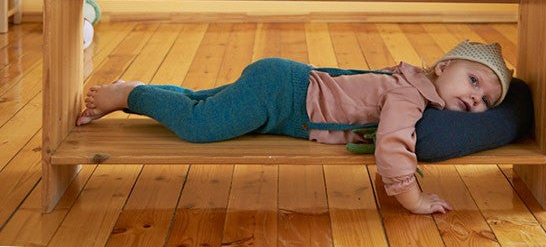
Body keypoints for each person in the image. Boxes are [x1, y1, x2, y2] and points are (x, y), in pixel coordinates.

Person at [77, 40, 514, 215]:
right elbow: (392, 142)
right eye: (473, 81)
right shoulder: (410, 94)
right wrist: (411, 197)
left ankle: (139, 92)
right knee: (200, 125)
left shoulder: (411, 85)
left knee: (204, 102)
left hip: (286, 93)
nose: (476, 99)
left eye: (486, 101)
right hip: (284, 95)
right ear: (442, 68)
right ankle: (130, 94)